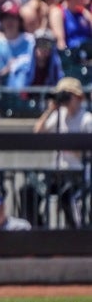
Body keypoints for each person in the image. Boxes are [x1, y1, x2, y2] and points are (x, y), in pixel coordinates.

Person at [33, 76, 92, 228]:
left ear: (78, 97)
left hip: (78, 175)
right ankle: (37, 233)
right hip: (57, 173)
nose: (64, 100)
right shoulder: (58, 115)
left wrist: (71, 147)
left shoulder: (86, 119)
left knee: (67, 197)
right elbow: (38, 132)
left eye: (67, 95)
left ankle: (75, 237)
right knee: (28, 191)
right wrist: (50, 109)